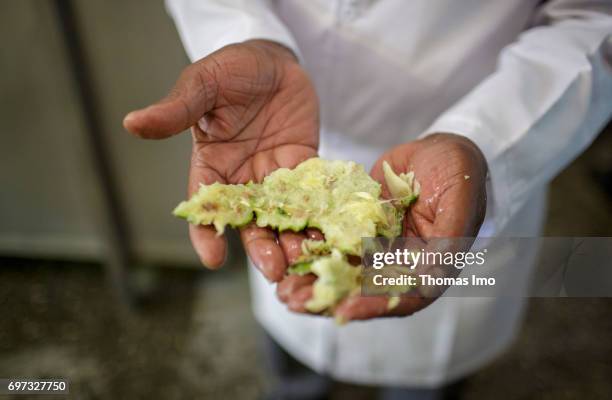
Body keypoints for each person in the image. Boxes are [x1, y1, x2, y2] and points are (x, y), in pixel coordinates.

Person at [123, 1, 612, 398]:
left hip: (464, 162)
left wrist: (482, 141)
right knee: (290, 339)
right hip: (276, 148)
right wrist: (247, 35)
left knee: (425, 378)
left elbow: (594, 21)